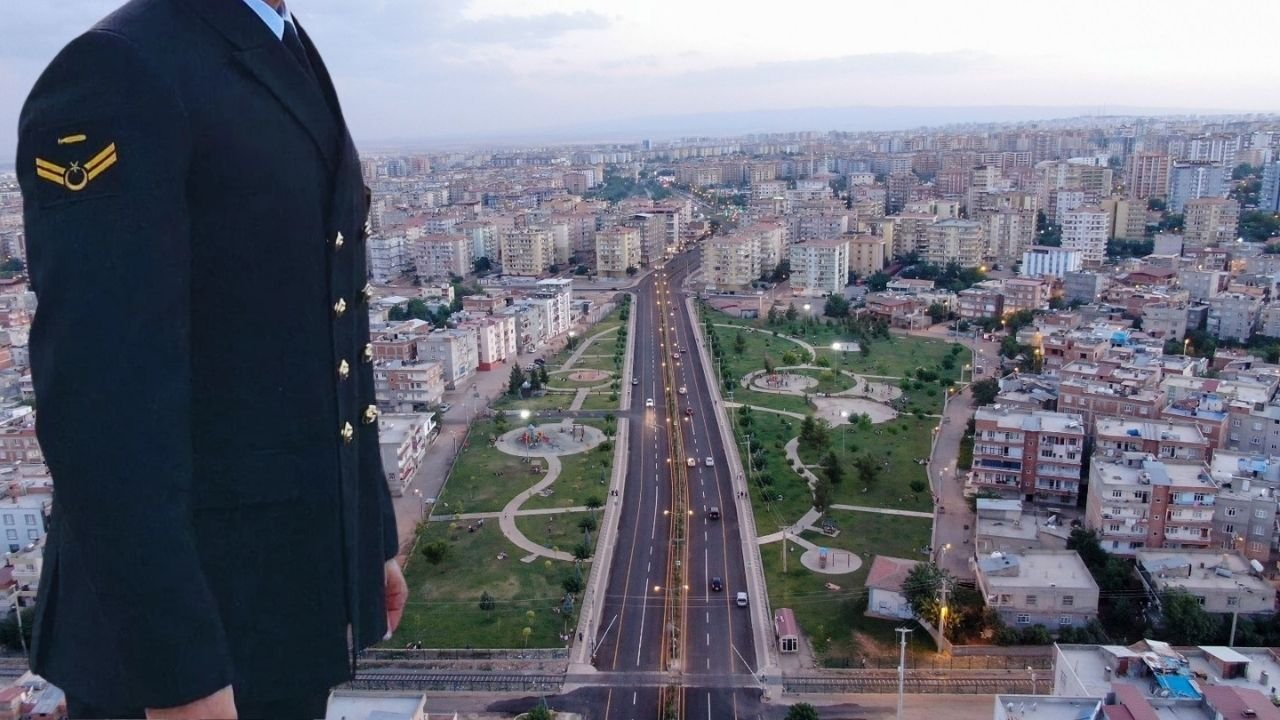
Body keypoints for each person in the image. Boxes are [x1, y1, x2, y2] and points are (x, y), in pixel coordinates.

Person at [15, 0, 408, 717]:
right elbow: (101, 408)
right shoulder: (118, 70)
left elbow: (331, 321)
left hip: (282, 602)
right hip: (190, 643)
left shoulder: (276, 40)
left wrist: (370, 535)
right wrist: (181, 677)